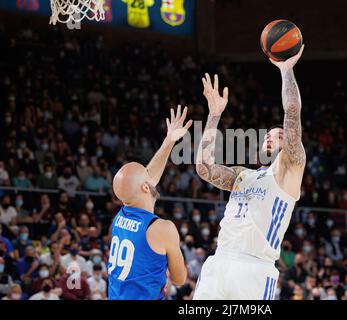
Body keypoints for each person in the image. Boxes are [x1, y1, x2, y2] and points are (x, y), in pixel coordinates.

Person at [194, 46, 306, 300]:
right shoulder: (243, 175)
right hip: (220, 260)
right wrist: (213, 116)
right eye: (267, 135)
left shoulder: (288, 170)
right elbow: (203, 168)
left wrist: (286, 69)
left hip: (254, 268)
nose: (270, 138)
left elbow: (292, 112)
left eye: (278, 136)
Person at [108, 105, 190, 300]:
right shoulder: (163, 228)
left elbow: (145, 178)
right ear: (146, 187)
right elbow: (180, 279)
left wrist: (169, 140)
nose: (151, 175)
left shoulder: (119, 219)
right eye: (147, 176)